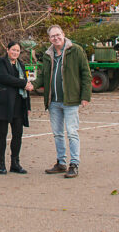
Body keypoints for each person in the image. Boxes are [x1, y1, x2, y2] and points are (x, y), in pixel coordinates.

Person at [33, 25, 92, 178]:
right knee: (57, 134)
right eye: (53, 36)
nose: (56, 38)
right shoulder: (48, 54)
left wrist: (86, 95)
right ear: (49, 38)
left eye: (58, 35)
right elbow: (43, 75)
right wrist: (31, 85)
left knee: (72, 133)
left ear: (63, 34)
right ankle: (61, 162)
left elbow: (85, 73)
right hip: (53, 102)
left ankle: (74, 164)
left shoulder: (76, 50)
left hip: (70, 101)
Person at [0, 41, 33, 175]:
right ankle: (1, 164)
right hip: (3, 104)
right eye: (13, 50)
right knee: (2, 134)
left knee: (18, 134)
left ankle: (15, 163)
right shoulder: (0, 62)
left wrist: (28, 105)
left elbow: (26, 86)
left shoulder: (21, 65)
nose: (15, 53)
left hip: (18, 104)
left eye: (18, 51)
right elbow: (4, 78)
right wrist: (23, 83)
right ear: (7, 50)